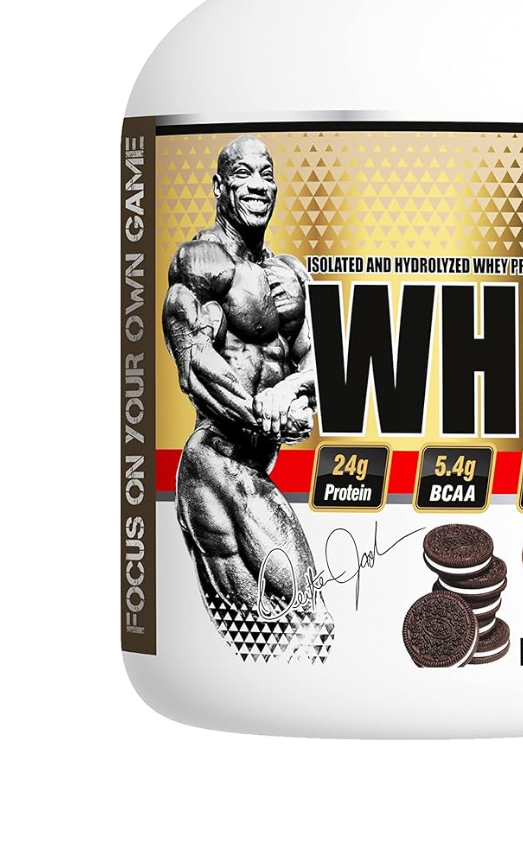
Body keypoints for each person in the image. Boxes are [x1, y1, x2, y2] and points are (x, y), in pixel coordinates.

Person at [162, 135, 333, 662]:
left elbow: (323, 368)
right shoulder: (200, 263)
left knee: (270, 643)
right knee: (308, 619)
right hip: (214, 462)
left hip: (252, 467)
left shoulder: (290, 277)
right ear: (219, 187)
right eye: (243, 174)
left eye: (267, 174)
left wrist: (291, 390)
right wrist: (263, 413)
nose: (258, 185)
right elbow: (196, 368)